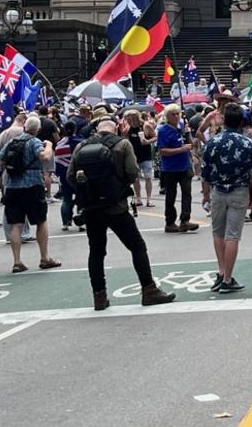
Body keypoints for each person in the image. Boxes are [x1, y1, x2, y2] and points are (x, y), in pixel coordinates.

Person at [69, 115, 176, 310]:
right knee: (137, 246)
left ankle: (99, 296)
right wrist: (116, 187)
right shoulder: (123, 144)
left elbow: (71, 176)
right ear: (116, 128)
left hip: (92, 208)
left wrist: (89, 192)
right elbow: (133, 172)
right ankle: (148, 289)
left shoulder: (81, 147)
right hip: (116, 206)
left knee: (96, 251)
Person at [200, 103, 252, 294]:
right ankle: (227, 278)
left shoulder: (212, 142)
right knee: (233, 235)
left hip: (218, 191)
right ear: (242, 121)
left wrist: (206, 195)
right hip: (239, 191)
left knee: (218, 233)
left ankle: (221, 271)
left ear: (224, 120)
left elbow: (205, 173)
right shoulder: (248, 144)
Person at [0, 116, 61, 273]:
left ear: (24, 127)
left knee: (16, 224)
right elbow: (44, 157)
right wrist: (49, 146)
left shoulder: (12, 142)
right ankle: (44, 258)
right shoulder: (35, 142)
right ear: (38, 129)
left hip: (12, 186)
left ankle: (17, 261)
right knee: (41, 221)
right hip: (32, 185)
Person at [156, 105, 199, 233]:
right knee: (171, 195)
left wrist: (188, 133)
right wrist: (180, 150)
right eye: (173, 114)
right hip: (170, 168)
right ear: (167, 116)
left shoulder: (181, 126)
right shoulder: (163, 130)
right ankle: (170, 221)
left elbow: (191, 144)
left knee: (187, 194)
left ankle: (185, 220)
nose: (176, 116)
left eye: (177, 114)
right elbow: (162, 151)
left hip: (184, 165)